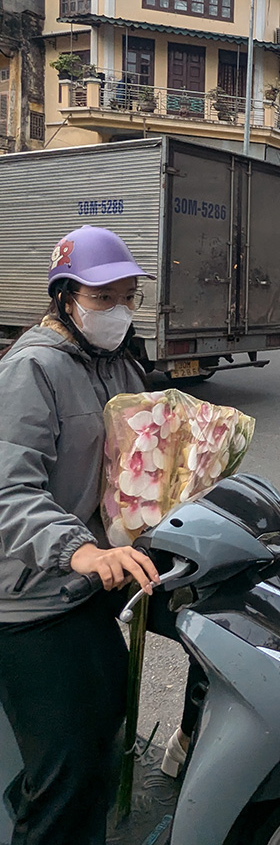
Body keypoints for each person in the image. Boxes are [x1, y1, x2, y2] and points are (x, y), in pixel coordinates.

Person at [0, 225, 161, 845]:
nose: (118, 310)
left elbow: (145, 452)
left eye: (127, 296)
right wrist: (81, 549)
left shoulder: (117, 363)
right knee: (69, 771)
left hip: (91, 580)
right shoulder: (31, 370)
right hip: (30, 596)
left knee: (105, 725)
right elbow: (9, 492)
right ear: (66, 296)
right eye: (103, 297)